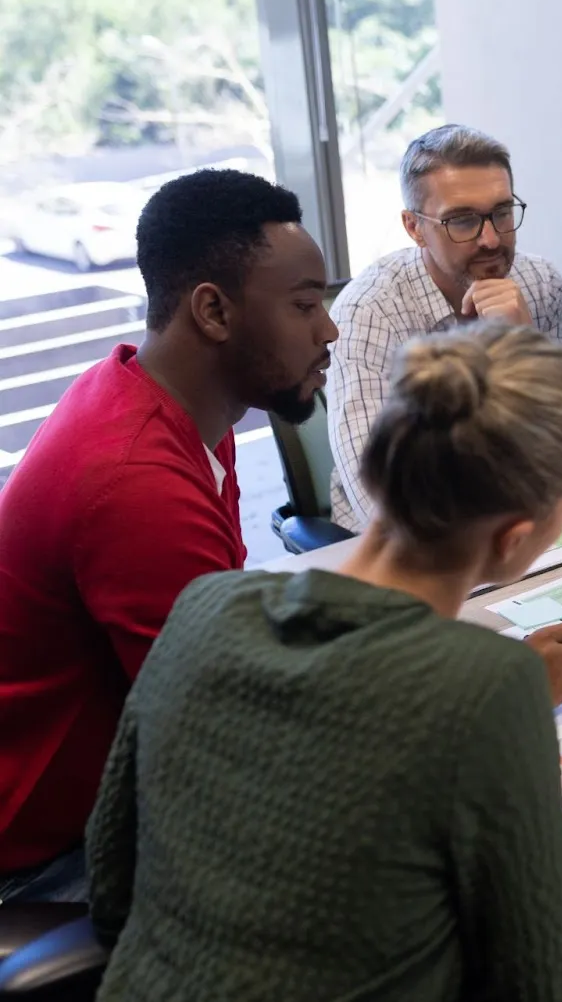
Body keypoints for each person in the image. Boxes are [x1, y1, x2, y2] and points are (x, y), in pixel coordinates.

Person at [86, 323, 562, 1001]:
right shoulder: (485, 686)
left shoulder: (206, 605)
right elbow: (558, 981)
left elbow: (111, 888)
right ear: (514, 541)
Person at [0, 170, 335, 905]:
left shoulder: (168, 406)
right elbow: (241, 736)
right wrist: (477, 694)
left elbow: (222, 629)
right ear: (213, 311)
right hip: (44, 858)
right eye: (305, 305)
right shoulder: (135, 482)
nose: (328, 330)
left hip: (119, 775)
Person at [328, 123, 562, 532]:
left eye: (502, 212)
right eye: (462, 220)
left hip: (530, 522)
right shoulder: (370, 311)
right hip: (403, 548)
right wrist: (541, 459)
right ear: (414, 227)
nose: (491, 239)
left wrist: (524, 347)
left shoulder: (540, 283)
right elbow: (386, 503)